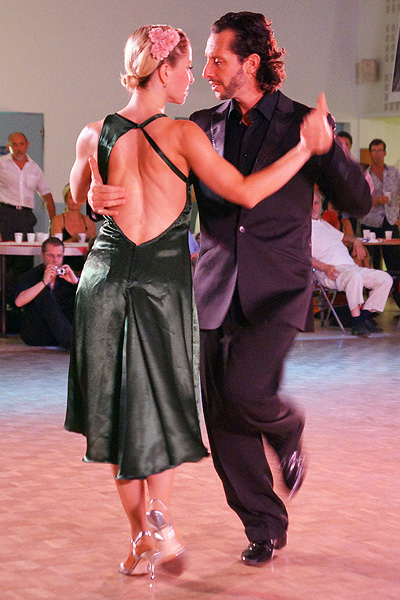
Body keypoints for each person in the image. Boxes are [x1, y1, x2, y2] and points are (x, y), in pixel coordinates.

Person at [64, 23, 333, 578]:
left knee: (115, 414)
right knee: (163, 405)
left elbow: (77, 197)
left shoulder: (93, 133)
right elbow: (247, 192)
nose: (195, 77)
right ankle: (160, 516)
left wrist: (92, 197)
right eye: (189, 67)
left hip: (104, 279)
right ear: (163, 70)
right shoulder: (186, 134)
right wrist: (304, 150)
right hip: (161, 284)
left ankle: (140, 537)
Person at [188, 11, 371, 567]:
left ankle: (287, 427)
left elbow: (358, 202)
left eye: (216, 59)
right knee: (223, 423)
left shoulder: (304, 123)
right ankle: (264, 525)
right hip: (214, 289)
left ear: (250, 63)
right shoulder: (201, 124)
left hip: (277, 291)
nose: (206, 71)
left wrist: (328, 149)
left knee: (246, 393)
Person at [312, 190, 392, 336]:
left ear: (321, 204)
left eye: (316, 203)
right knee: (354, 275)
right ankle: (356, 322)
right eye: (310, 204)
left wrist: (355, 241)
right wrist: (325, 267)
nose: (313, 207)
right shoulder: (302, 228)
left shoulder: (323, 224)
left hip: (349, 268)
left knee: (385, 279)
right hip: (330, 271)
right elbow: (302, 256)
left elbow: (344, 237)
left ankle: (364, 317)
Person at [14, 237, 79, 349]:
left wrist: (76, 282)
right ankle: (74, 345)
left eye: (59, 256)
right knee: (42, 293)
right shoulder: (32, 275)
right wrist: (43, 283)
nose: (55, 260)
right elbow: (18, 302)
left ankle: (79, 342)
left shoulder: (66, 275)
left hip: (62, 333)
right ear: (42, 255)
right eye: (51, 255)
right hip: (38, 333)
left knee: (79, 295)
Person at [0, 132, 55, 241]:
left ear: (27, 145)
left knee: (26, 248)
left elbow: (47, 196)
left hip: (26, 216)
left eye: (21, 144)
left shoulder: (34, 168)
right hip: (5, 214)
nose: (18, 148)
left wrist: (53, 223)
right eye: (14, 145)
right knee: (6, 249)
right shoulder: (2, 164)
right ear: (8, 147)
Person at [361, 138, 400, 271]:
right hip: (371, 222)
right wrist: (376, 201)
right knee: (373, 260)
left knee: (394, 259)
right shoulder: (365, 176)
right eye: (374, 151)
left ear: (385, 153)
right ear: (370, 153)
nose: (377, 154)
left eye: (380, 150)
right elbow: (360, 200)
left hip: (391, 220)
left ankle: (395, 284)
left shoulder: (394, 172)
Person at [50, 183, 96, 272]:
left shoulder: (89, 221)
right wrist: (75, 238)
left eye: (77, 198)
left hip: (85, 266)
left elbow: (94, 245)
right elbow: (55, 246)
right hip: (63, 266)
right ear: (65, 200)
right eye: (71, 198)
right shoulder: (58, 220)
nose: (74, 201)